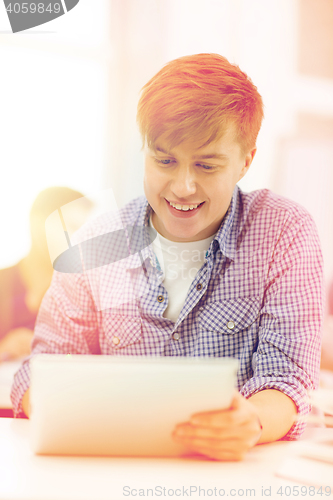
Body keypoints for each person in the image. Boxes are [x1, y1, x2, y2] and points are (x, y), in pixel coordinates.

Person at [11, 54, 324, 461]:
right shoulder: (96, 242)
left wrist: (253, 421)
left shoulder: (284, 231)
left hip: (235, 476)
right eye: (165, 161)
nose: (183, 187)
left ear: (246, 162)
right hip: (112, 472)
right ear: (144, 150)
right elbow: (41, 369)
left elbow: (288, 379)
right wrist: (56, 405)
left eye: (207, 165)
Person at [0, 187, 91, 361]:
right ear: (37, 223)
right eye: (71, 227)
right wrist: (3, 348)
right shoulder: (3, 281)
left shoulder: (84, 293)